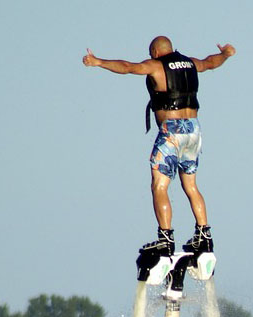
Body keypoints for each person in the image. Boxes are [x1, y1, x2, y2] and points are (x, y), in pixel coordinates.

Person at [83, 36, 235, 259]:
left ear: (155, 51)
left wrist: (98, 62)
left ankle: (165, 239)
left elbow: (127, 67)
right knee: (191, 185)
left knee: (159, 185)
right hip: (194, 130)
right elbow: (211, 62)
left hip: (171, 131)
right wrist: (226, 54)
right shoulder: (191, 63)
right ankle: (204, 235)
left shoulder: (155, 65)